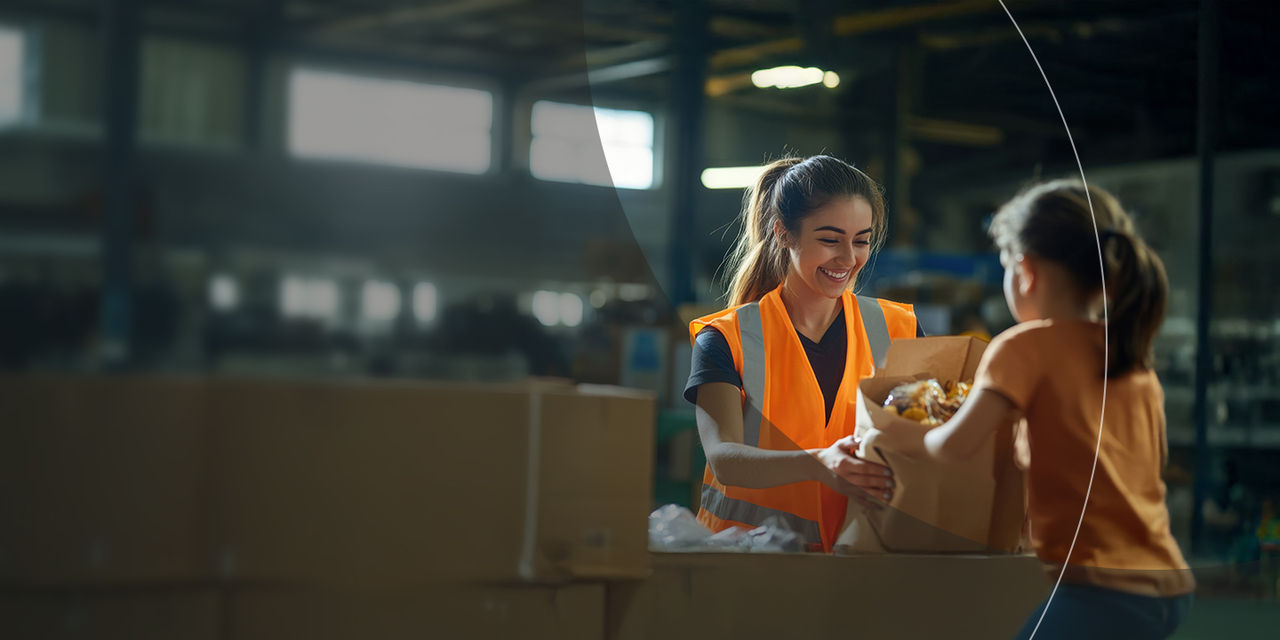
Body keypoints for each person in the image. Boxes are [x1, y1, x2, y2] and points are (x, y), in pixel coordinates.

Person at [918, 181, 1194, 639]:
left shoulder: (1025, 348)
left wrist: (903, 435)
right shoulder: (1130, 356)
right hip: (1166, 584)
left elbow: (953, 448)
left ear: (1025, 271)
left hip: (1102, 589)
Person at [683, 155, 921, 553]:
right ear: (783, 233)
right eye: (830, 240)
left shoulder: (901, 330)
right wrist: (820, 463)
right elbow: (723, 457)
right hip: (747, 567)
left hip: (859, 562)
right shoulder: (726, 337)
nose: (848, 259)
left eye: (861, 241)